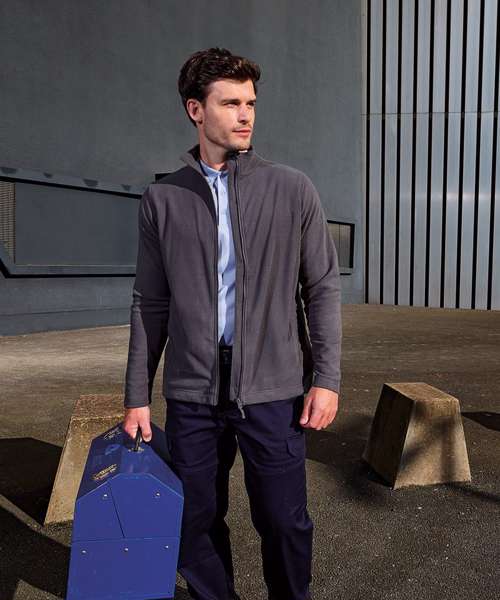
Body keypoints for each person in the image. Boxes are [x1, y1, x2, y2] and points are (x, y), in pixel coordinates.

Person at [123, 46, 342, 600]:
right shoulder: (163, 198)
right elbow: (150, 302)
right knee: (194, 519)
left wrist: (327, 379)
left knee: (284, 522)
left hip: (273, 389)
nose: (245, 115)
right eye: (230, 103)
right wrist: (137, 396)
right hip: (193, 391)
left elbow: (321, 288)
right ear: (196, 110)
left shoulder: (292, 188)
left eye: (250, 103)